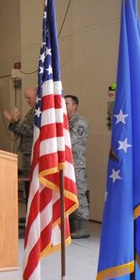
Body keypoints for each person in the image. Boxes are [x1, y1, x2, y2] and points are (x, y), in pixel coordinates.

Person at [4, 86, 37, 197]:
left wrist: (17, 122)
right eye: (26, 98)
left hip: (34, 153)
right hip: (27, 153)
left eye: (29, 98)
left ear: (37, 97)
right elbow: (21, 131)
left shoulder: (39, 113)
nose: (27, 101)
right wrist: (14, 122)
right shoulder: (31, 112)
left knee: (32, 185)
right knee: (28, 184)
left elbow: (29, 130)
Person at [65, 95, 90, 238]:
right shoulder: (65, 121)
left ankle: (84, 226)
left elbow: (70, 140)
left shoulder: (80, 122)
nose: (64, 106)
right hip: (66, 164)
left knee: (79, 193)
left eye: (67, 103)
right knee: (68, 193)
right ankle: (73, 224)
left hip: (76, 164)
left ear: (75, 106)